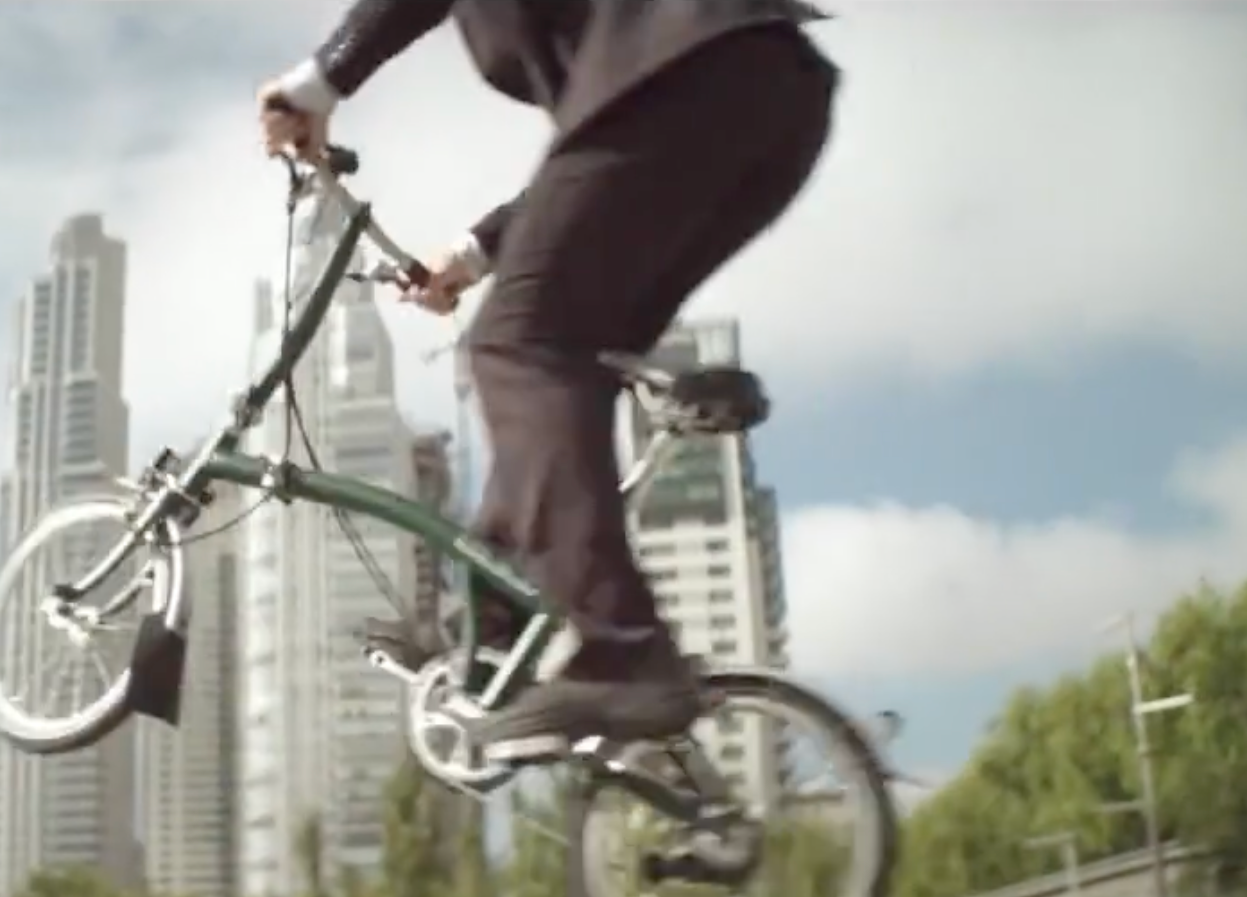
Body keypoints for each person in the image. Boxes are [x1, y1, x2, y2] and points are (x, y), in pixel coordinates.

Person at [258, 0, 839, 766]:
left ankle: (624, 651)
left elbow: (620, 134)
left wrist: (319, 79)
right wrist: (470, 255)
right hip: (769, 99)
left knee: (516, 350)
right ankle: (487, 626)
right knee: (561, 367)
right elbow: (598, 160)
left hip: (690, 75)